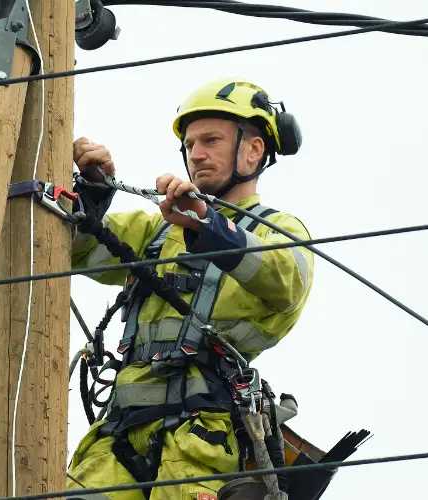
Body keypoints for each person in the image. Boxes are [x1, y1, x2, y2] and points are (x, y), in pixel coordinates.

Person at [65, 77, 315, 500]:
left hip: (201, 441)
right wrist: (90, 198)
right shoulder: (157, 233)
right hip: (115, 441)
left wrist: (209, 226)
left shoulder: (278, 230)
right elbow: (70, 252)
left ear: (254, 149)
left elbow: (285, 280)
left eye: (211, 140)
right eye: (190, 144)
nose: (196, 154)